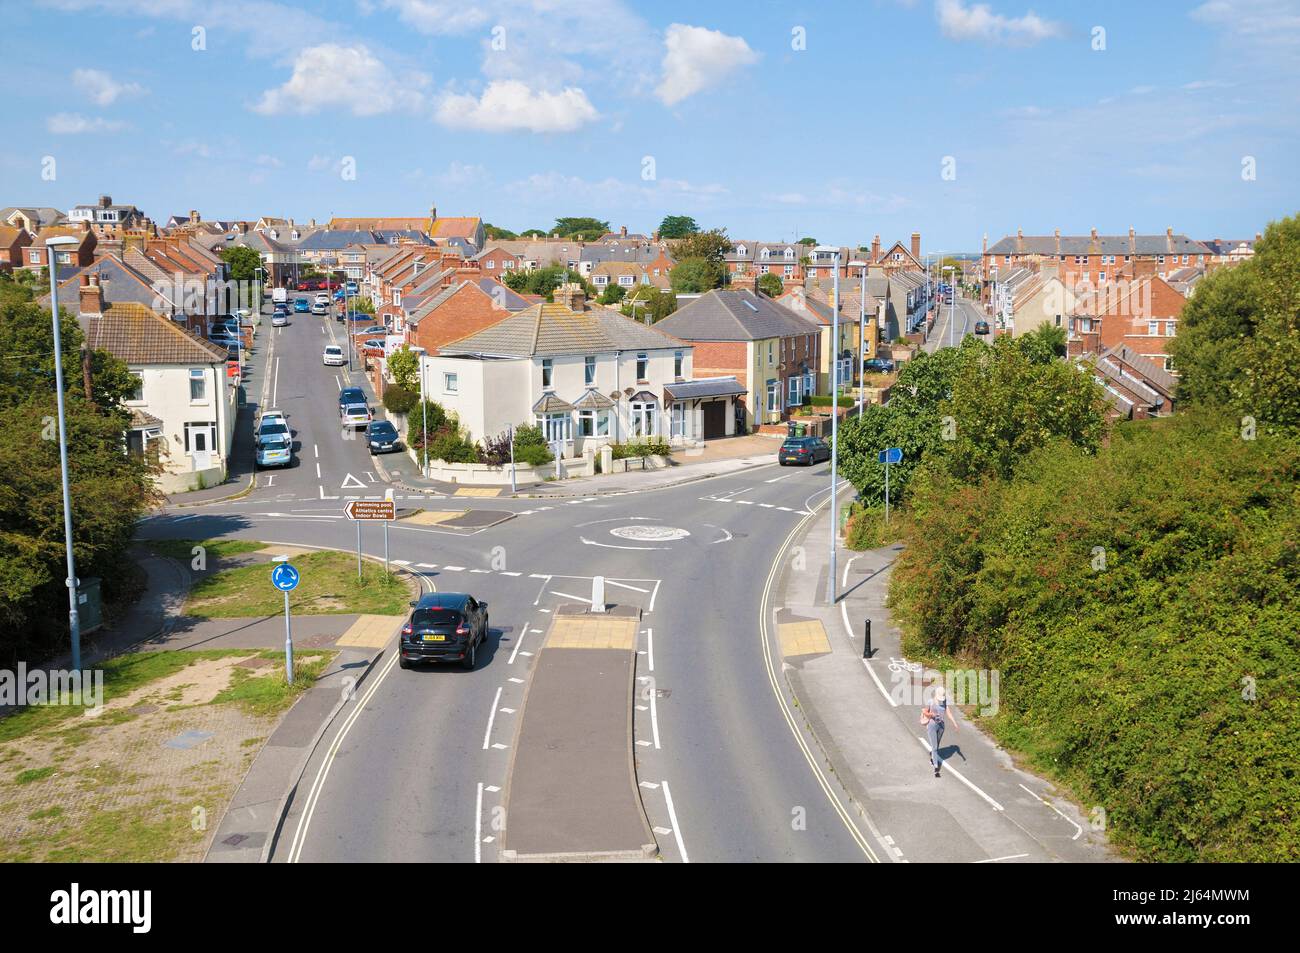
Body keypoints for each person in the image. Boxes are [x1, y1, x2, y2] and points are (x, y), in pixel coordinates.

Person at [924, 684, 959, 777]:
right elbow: (925, 712)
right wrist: (931, 715)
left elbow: (948, 712)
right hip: (932, 725)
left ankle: (933, 757)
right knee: (935, 747)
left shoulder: (944, 702)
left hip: (941, 727)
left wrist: (954, 723)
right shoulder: (930, 702)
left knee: (937, 745)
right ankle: (936, 766)